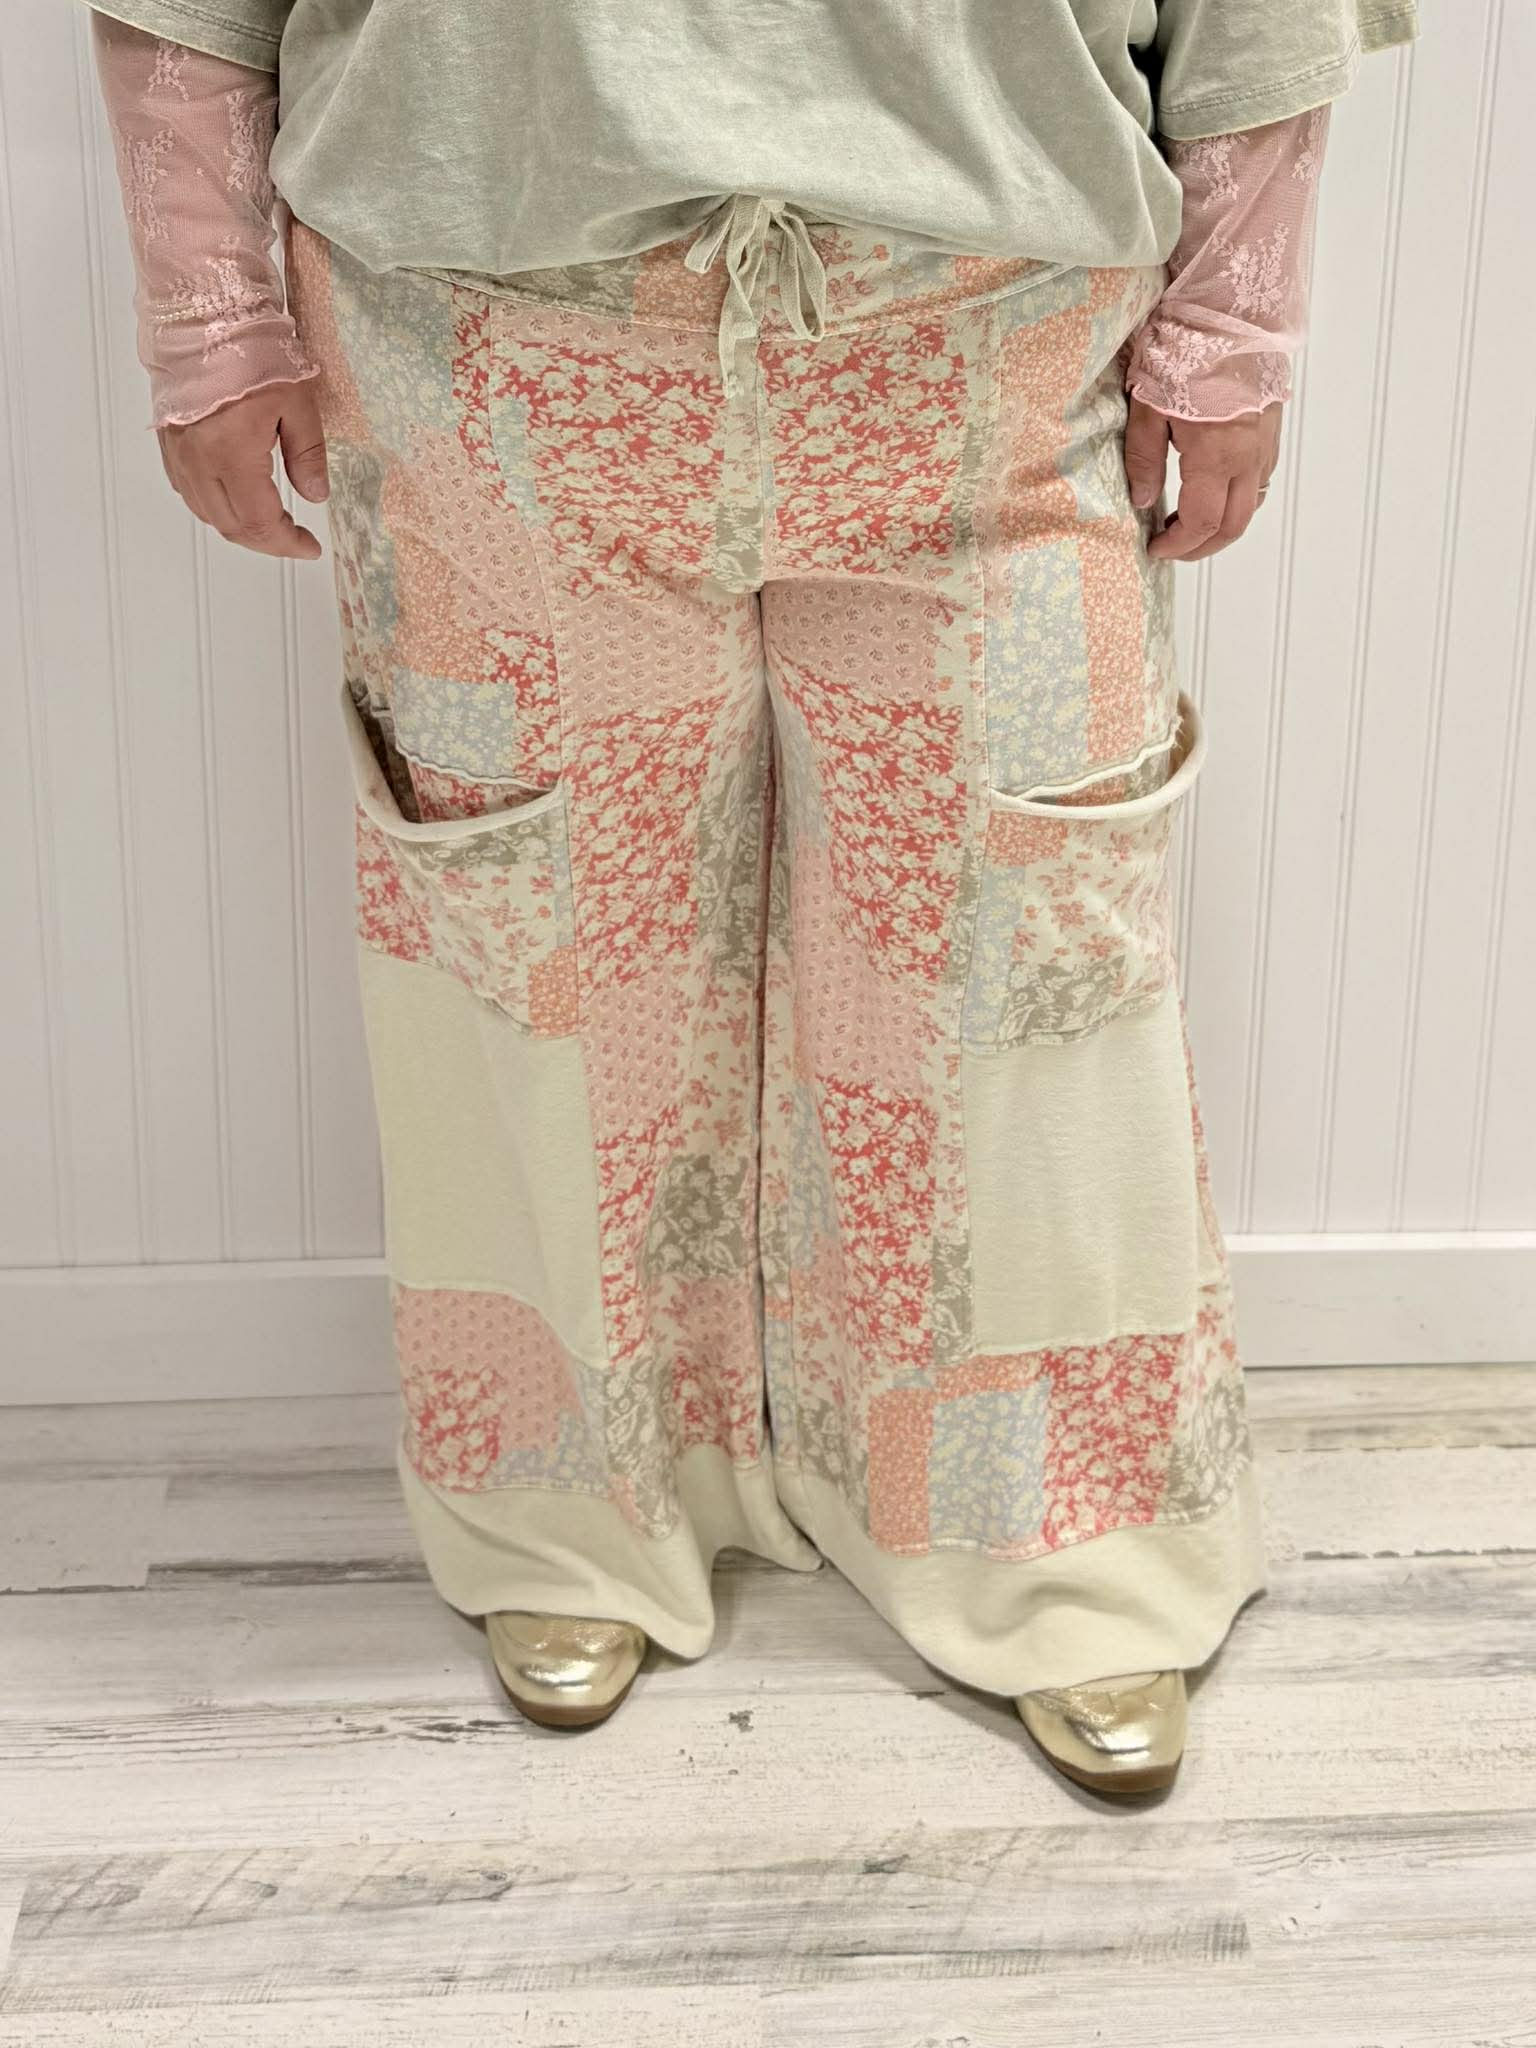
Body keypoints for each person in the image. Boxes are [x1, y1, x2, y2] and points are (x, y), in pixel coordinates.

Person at [84, 0, 1419, 1799]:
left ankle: (1059, 1532)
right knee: (549, 961)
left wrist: (1236, 323)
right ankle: (571, 1505)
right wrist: (209, 314)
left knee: (1020, 973)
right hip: (483, 312)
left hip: (992, 315)